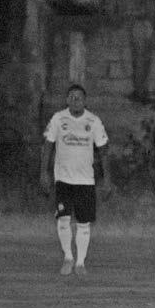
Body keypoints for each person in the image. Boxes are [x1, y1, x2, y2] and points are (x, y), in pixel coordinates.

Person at [40, 84, 113, 276]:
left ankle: (80, 263)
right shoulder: (58, 119)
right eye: (71, 97)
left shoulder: (93, 121)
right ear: (67, 100)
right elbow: (47, 146)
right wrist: (44, 173)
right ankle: (68, 258)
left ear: (85, 101)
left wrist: (107, 179)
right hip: (63, 179)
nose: (75, 100)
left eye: (79, 97)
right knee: (63, 218)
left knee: (83, 222)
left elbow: (104, 151)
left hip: (85, 180)